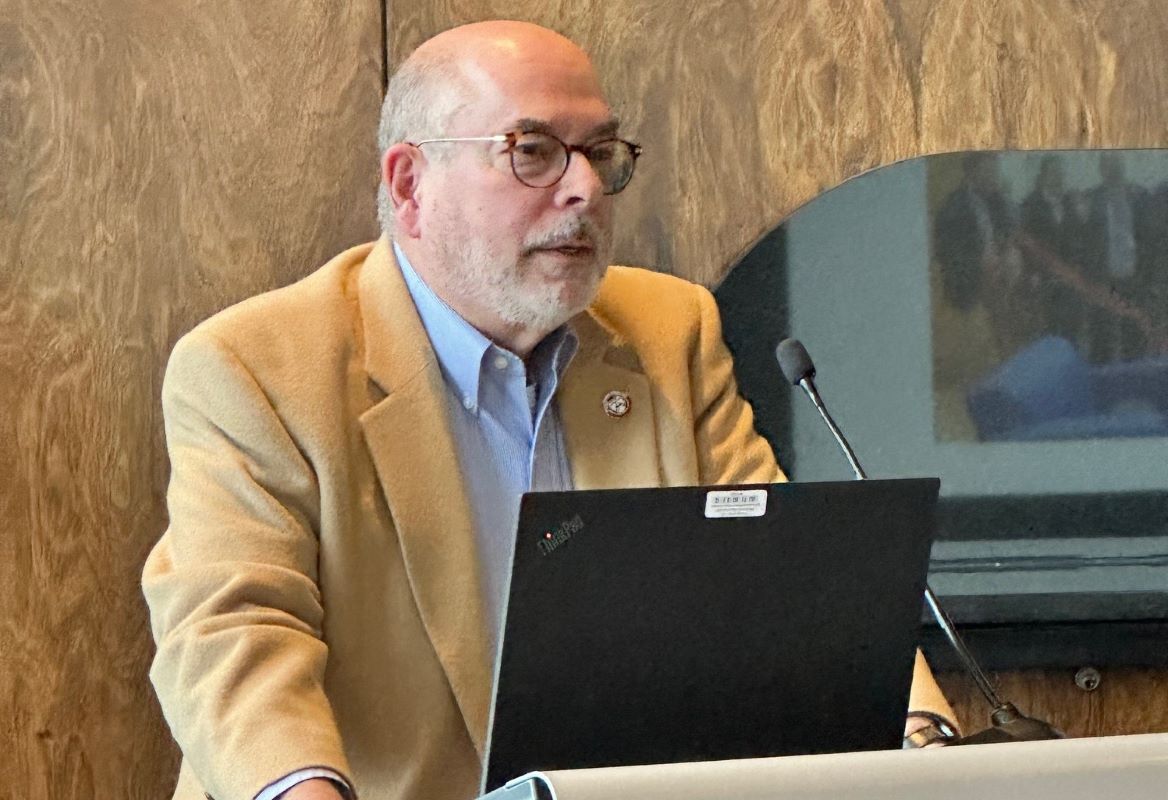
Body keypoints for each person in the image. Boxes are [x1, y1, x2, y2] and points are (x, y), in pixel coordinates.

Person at [143, 21, 956, 800]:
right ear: (410, 182)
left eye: (601, 153)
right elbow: (235, 630)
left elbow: (789, 574)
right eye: (532, 151)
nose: (586, 187)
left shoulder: (668, 329)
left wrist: (924, 747)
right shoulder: (256, 365)